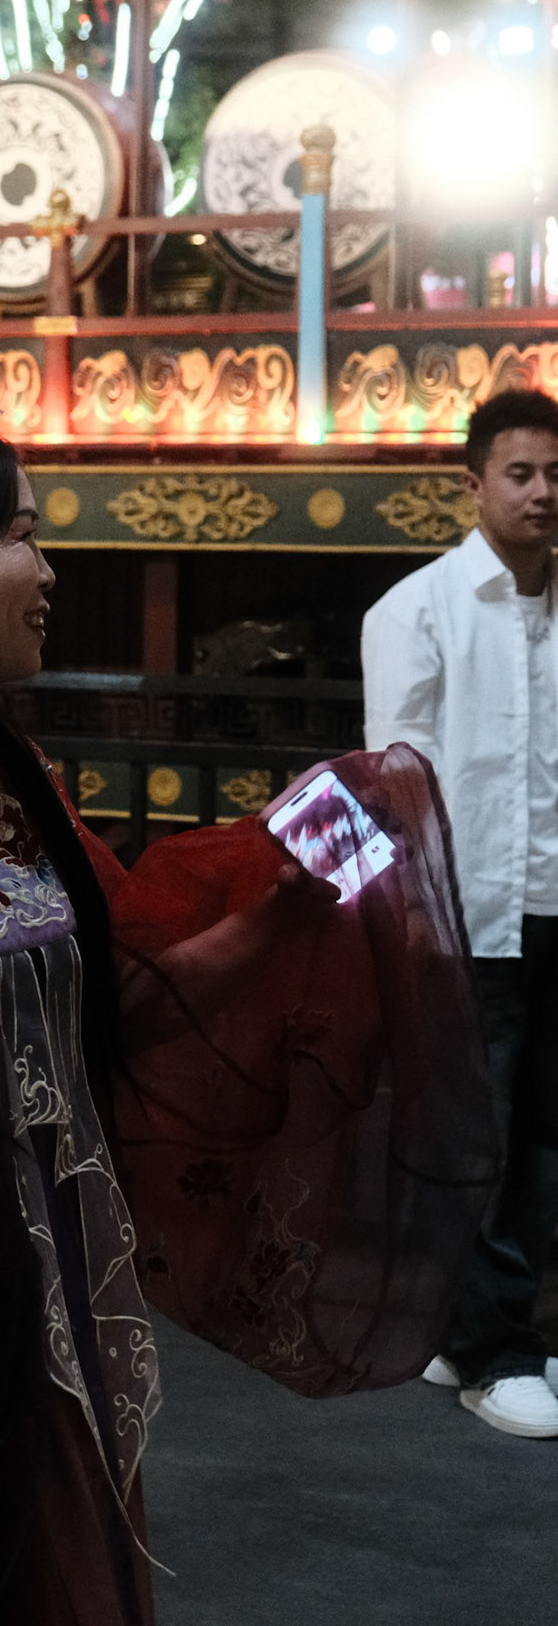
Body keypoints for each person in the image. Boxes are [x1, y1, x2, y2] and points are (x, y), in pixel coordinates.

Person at [0, 319, 497, 1626]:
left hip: (52, 1284)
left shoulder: (6, 773)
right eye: (17, 535)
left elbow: (117, 1001)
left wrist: (290, 899)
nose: (47, 568)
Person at [363, 386, 558, 1439]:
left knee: (544, 1135)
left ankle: (480, 1325)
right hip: (469, 910)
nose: (541, 491)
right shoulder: (417, 609)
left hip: (554, 900)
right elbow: (398, 783)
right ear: (472, 484)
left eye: (555, 473)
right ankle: (491, 1355)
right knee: (475, 1138)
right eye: (519, 472)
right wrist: (411, 919)